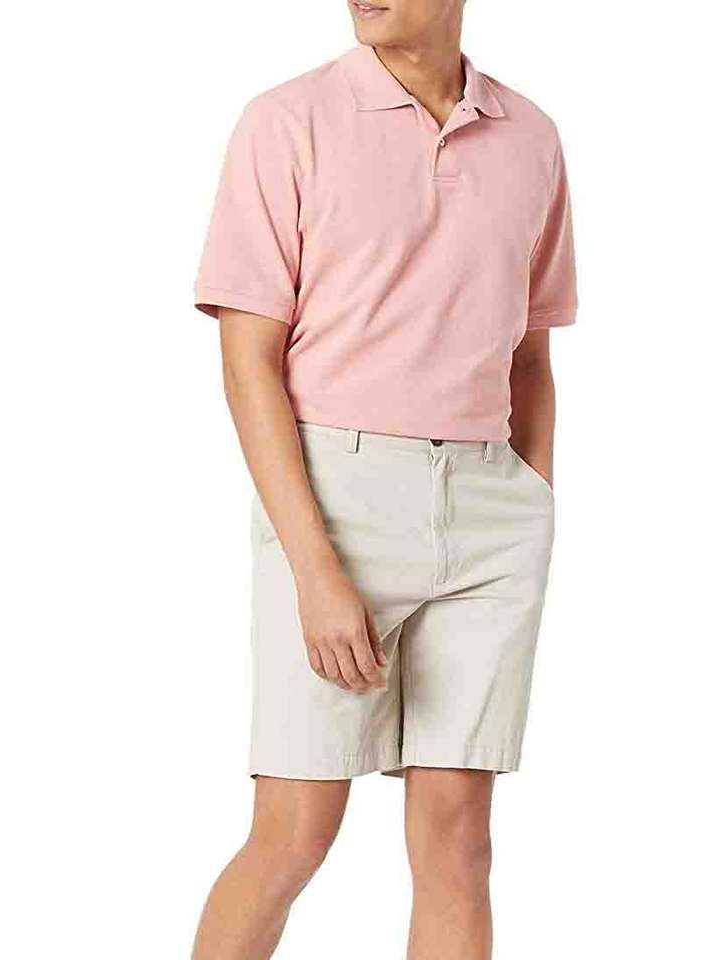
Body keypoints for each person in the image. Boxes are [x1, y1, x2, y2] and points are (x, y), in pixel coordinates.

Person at [190, 1, 576, 957]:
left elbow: (530, 352)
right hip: (334, 499)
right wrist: (314, 567)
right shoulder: (287, 121)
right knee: (294, 833)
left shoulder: (530, 136)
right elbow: (248, 361)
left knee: (459, 844)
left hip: (490, 509)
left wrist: (530, 498)